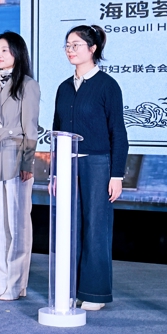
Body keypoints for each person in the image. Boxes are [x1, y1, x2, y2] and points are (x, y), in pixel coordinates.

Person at [52, 25, 128, 311]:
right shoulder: (63, 87)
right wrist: (55, 172)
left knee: (96, 228)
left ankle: (94, 293)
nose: (70, 50)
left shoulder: (107, 85)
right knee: (69, 227)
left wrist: (116, 174)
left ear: (93, 49)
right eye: (67, 45)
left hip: (97, 164)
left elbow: (118, 132)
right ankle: (71, 288)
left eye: (76, 45)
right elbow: (57, 130)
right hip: (67, 164)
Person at [0, 31, 40, 301]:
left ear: (17, 52)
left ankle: (16, 284)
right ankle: (3, 282)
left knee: (17, 225)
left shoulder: (28, 85)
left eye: (4, 50)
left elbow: (31, 129)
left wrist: (27, 162)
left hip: (16, 157)